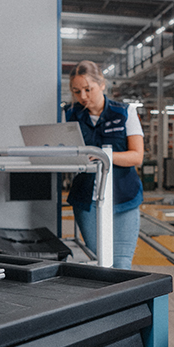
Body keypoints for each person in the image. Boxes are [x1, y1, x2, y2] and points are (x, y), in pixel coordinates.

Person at [64, 60, 144, 269]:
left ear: (102, 85)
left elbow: (137, 156)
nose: (82, 97)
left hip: (123, 197)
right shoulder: (71, 115)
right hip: (86, 199)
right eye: (77, 91)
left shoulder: (125, 112)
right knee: (101, 262)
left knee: (121, 263)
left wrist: (102, 156)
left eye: (88, 89)